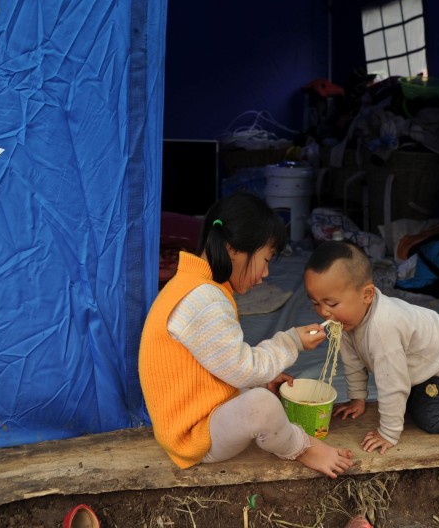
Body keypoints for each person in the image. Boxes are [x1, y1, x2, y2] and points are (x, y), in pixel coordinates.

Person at [138, 192, 355, 478]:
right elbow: (242, 369)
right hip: (193, 436)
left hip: (198, 414)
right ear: (233, 249)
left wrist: (262, 378)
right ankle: (302, 448)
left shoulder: (194, 285)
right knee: (262, 407)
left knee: (258, 390)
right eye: (265, 259)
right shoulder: (203, 299)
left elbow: (221, 360)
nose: (265, 273)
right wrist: (291, 341)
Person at [303, 240, 439, 454]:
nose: (323, 312)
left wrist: (388, 433)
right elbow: (352, 362)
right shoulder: (348, 320)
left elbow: (393, 384)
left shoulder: (383, 329)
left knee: (430, 417)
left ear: (367, 294)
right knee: (411, 405)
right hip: (435, 361)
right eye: (315, 303)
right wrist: (357, 399)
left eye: (331, 304)